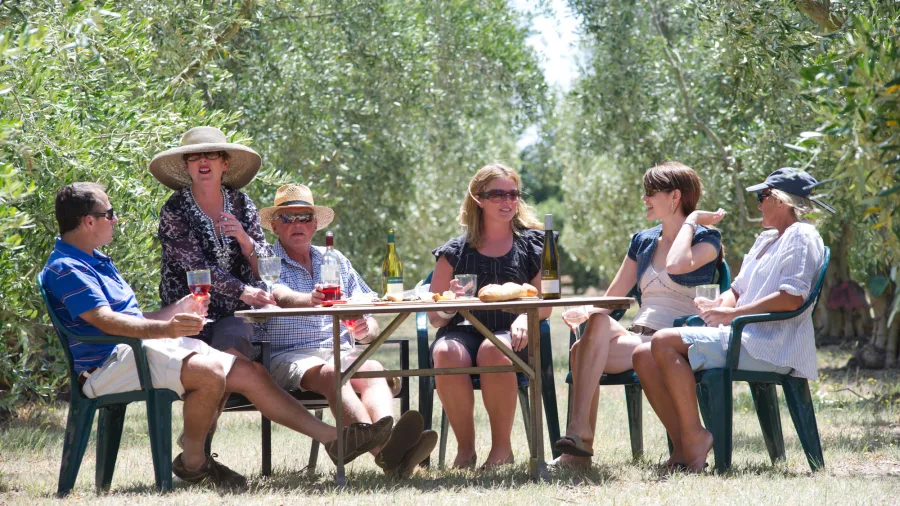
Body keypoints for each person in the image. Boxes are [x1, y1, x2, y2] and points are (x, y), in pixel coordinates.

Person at [41, 183, 392, 489]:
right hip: (107, 364)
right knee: (210, 372)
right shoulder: (67, 267)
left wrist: (172, 312)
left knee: (250, 372)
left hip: (135, 350)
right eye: (109, 213)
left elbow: (128, 318)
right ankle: (195, 462)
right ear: (88, 221)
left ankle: (335, 440)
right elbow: (106, 323)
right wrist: (166, 329)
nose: (115, 220)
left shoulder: (98, 260)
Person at [632, 168, 833, 472]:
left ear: (781, 200)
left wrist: (733, 314)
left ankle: (694, 438)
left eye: (761, 197)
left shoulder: (802, 236)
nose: (758, 204)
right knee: (642, 354)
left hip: (771, 343)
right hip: (743, 335)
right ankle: (684, 445)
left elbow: (791, 297)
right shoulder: (767, 239)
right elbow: (737, 291)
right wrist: (717, 306)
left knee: (662, 340)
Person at [255, 184, 437, 478]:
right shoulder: (267, 261)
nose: (297, 224)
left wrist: (365, 330)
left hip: (339, 351)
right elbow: (278, 294)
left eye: (304, 217)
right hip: (289, 354)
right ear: (275, 226)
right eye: (287, 218)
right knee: (333, 372)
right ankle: (390, 455)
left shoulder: (335, 259)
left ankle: (391, 454)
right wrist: (309, 299)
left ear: (315, 224)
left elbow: (369, 312)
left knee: (374, 368)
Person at [553, 161, 724, 469]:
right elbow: (612, 298)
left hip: (675, 340)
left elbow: (676, 264)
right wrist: (586, 311)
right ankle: (579, 435)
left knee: (580, 351)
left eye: (650, 192)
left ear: (675, 196)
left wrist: (691, 221)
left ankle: (578, 445)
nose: (644, 198)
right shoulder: (642, 241)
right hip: (637, 337)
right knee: (596, 322)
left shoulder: (706, 238)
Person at [428, 163, 551, 469]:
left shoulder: (536, 245)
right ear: (478, 199)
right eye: (497, 194)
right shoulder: (454, 252)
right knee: (445, 352)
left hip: (513, 334)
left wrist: (525, 316)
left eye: (513, 194)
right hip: (464, 331)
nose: (507, 200)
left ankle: (501, 450)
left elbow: (546, 301)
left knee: (492, 349)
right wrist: (450, 303)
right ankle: (465, 451)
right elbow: (435, 318)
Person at [150, 126, 275, 359]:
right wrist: (242, 291)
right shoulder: (174, 209)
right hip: (189, 312)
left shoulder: (242, 204)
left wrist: (245, 240)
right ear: (186, 166)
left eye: (211, 154)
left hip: (234, 315)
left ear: (225, 163)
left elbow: (266, 268)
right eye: (194, 156)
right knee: (200, 364)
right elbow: (196, 269)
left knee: (231, 347)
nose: (203, 161)